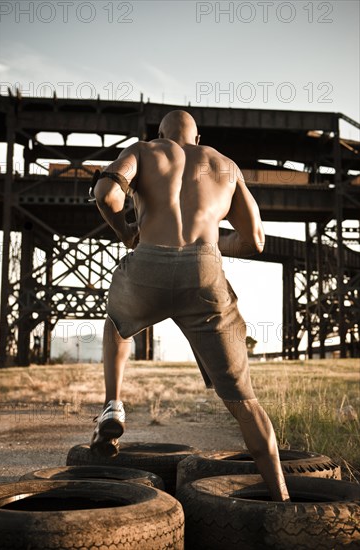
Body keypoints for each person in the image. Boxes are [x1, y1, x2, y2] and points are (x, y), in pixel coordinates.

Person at [91, 110, 290, 502]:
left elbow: (106, 193)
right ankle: (282, 499)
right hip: (203, 270)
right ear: (198, 138)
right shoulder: (224, 165)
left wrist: (127, 232)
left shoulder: (144, 150)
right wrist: (215, 247)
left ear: (161, 134)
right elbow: (256, 241)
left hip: (148, 262)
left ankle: (113, 405)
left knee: (117, 322)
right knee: (244, 400)